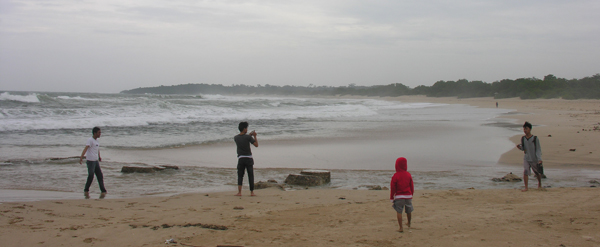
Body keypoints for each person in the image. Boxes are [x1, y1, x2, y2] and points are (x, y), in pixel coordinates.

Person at [79, 127, 107, 198]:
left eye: (100, 132)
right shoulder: (90, 140)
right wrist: (81, 157)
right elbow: (86, 148)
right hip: (90, 161)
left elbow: (97, 149)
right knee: (91, 175)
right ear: (95, 133)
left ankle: (103, 190)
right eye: (99, 133)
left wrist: (99, 156)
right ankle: (86, 189)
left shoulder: (97, 141)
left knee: (100, 176)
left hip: (96, 161)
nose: (100, 134)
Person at [516, 121, 542, 192]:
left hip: (534, 158)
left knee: (537, 172)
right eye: (524, 129)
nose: (525, 130)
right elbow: (524, 148)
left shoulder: (535, 138)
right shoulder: (523, 138)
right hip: (526, 158)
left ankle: (539, 183)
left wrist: (539, 159)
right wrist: (520, 147)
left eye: (526, 129)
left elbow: (538, 149)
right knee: (526, 171)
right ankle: (526, 187)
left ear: (530, 129)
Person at [390, 157, 414, 232]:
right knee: (408, 210)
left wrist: (391, 197)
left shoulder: (396, 175)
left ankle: (401, 228)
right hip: (408, 196)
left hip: (399, 196)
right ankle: (409, 223)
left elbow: (393, 187)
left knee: (399, 211)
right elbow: (411, 186)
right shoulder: (408, 175)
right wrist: (411, 194)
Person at [234, 122, 258, 196]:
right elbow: (256, 145)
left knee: (240, 175)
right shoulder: (248, 137)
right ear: (244, 129)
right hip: (248, 158)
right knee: (250, 175)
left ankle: (239, 192)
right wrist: (254, 136)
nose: (247, 129)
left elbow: (243, 139)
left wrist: (249, 135)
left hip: (241, 158)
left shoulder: (236, 138)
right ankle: (252, 192)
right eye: (246, 128)